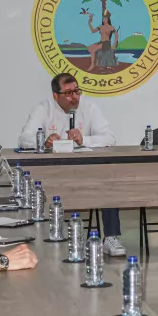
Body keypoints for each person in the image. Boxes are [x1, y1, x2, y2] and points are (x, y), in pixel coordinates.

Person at [18, 73, 126, 256]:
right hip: (53, 173)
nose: (75, 97)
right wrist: (43, 141)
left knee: (108, 178)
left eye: (76, 91)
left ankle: (110, 237)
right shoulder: (44, 109)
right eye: (68, 93)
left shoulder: (89, 107)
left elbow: (109, 138)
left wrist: (84, 140)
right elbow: (24, 139)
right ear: (55, 96)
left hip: (85, 171)